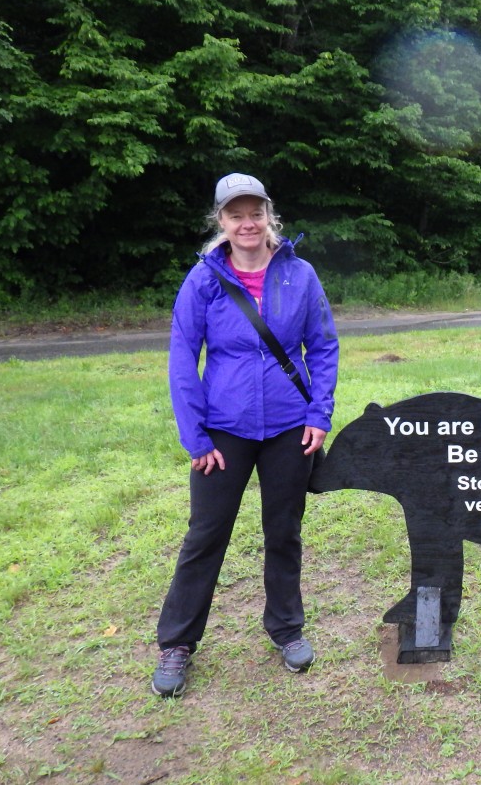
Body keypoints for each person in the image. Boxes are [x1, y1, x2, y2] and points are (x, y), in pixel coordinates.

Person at [152, 173, 340, 697]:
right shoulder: (203, 280)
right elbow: (182, 361)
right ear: (221, 221)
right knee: (206, 535)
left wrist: (319, 415)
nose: (247, 223)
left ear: (268, 216)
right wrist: (196, 438)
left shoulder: (300, 276)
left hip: (289, 427)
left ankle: (286, 627)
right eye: (236, 214)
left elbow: (322, 348)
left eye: (255, 212)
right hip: (222, 431)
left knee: (284, 532)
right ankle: (177, 642)